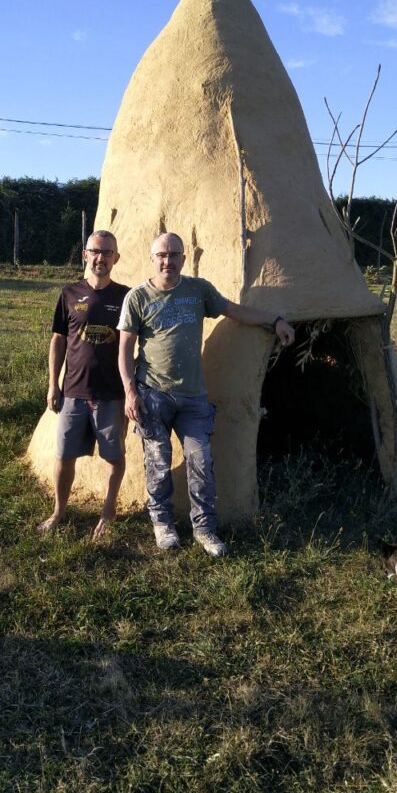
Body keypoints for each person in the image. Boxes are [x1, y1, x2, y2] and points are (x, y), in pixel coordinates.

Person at [118, 232, 295, 556]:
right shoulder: (137, 298)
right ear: (152, 258)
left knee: (201, 460)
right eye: (161, 254)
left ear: (184, 259)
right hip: (152, 395)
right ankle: (163, 523)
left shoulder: (198, 290)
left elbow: (234, 310)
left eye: (173, 254)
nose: (167, 261)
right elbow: (124, 350)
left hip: (193, 398)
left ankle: (204, 529)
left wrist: (275, 320)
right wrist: (131, 392)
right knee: (157, 461)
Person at [36, 230, 129, 539]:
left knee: (114, 457)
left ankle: (108, 511)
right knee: (64, 455)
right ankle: (59, 511)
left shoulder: (127, 297)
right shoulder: (69, 293)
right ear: (85, 255)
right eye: (95, 251)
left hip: (112, 394)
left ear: (116, 257)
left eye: (107, 252)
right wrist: (53, 384)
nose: (100, 257)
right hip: (74, 390)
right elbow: (58, 340)